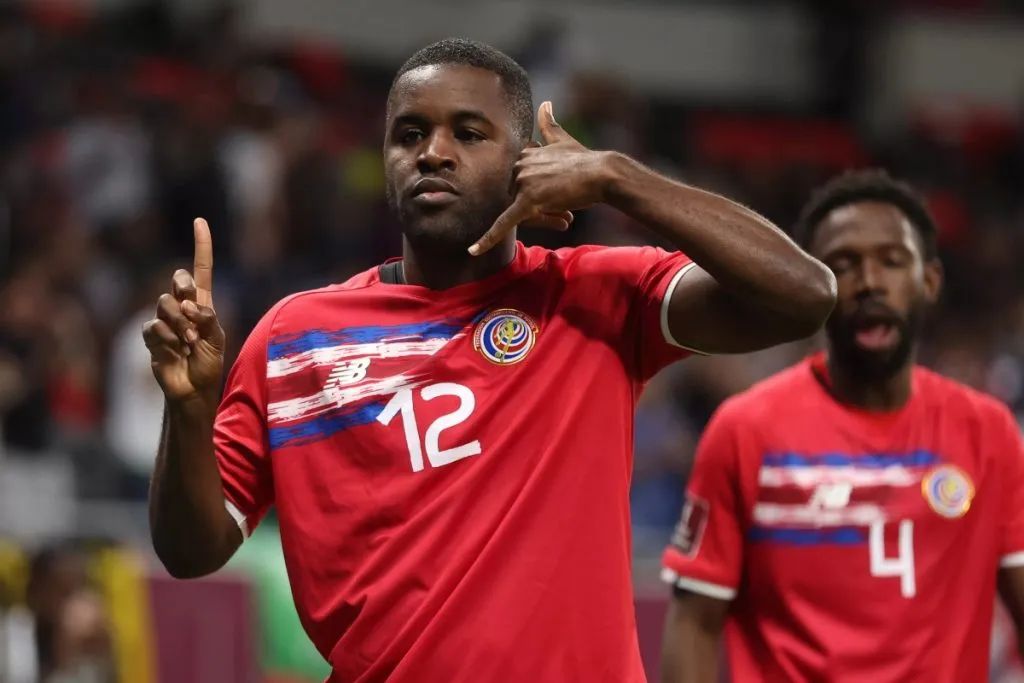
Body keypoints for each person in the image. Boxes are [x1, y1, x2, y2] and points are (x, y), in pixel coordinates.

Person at [144, 38, 835, 682]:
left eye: (469, 134)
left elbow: (803, 294)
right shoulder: (295, 336)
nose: (433, 153)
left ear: (527, 161)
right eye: (409, 134)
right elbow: (192, 549)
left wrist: (618, 179)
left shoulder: (593, 295)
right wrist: (188, 407)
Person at [659, 169, 1024, 683]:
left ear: (930, 281)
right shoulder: (746, 429)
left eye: (892, 261)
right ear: (814, 284)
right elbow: (694, 624)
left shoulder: (988, 432)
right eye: (844, 264)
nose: (870, 282)